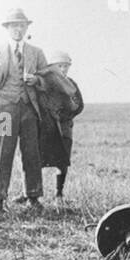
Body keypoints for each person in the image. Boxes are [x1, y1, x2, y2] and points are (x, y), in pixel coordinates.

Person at [0, 8, 48, 212]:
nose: (18, 29)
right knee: (3, 151)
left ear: (26, 28)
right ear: (7, 28)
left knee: (32, 152)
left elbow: (48, 80)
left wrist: (37, 80)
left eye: (21, 25)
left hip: (29, 111)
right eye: (14, 25)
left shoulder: (36, 52)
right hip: (5, 111)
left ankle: (33, 196)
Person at [37, 50, 84, 201]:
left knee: (62, 161)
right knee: (37, 159)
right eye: (60, 66)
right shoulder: (45, 82)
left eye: (66, 66)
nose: (63, 69)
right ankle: (32, 193)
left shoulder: (71, 84)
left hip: (64, 128)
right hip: (47, 128)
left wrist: (65, 116)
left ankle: (59, 193)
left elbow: (79, 105)